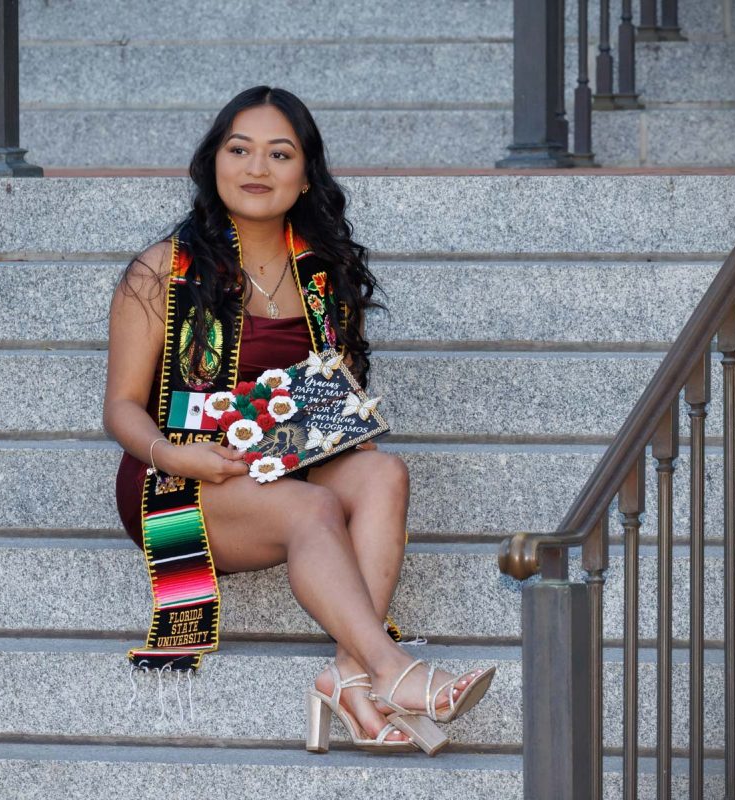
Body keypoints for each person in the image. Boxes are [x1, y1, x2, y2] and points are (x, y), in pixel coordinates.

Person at [103, 86, 493, 754]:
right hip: (179, 475)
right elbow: (120, 408)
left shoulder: (324, 272)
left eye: (279, 153)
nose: (257, 168)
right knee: (313, 510)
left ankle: (348, 675)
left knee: (383, 474)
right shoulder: (161, 271)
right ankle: (391, 669)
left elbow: (325, 412)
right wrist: (176, 456)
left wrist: (331, 402)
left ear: (305, 173)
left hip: (279, 462)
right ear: (213, 161)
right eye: (239, 149)